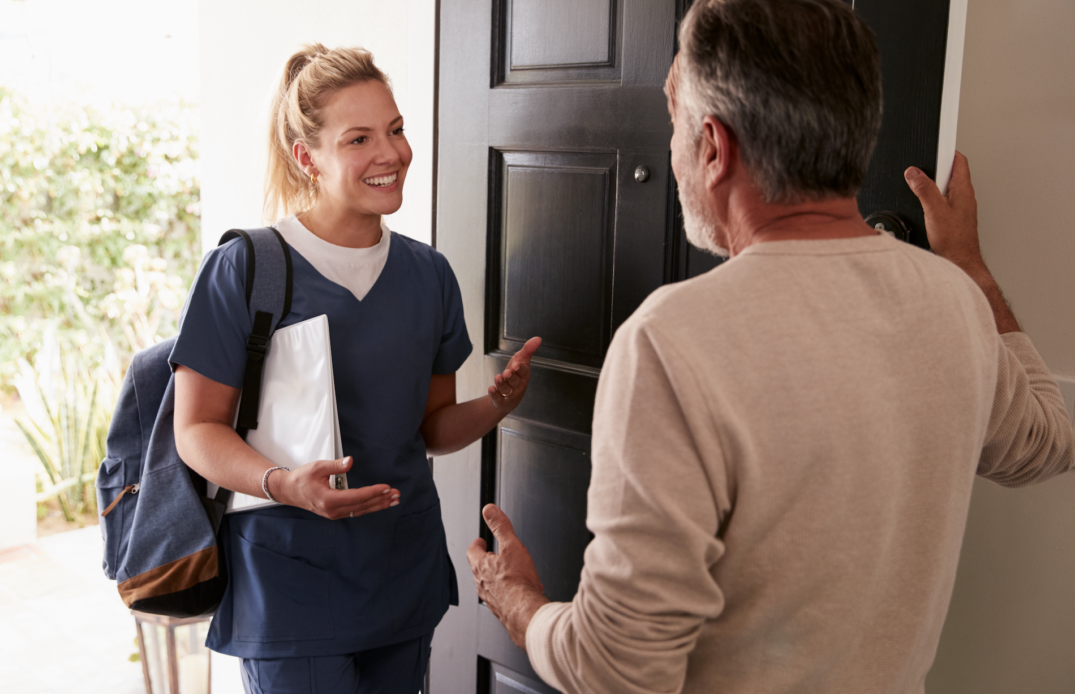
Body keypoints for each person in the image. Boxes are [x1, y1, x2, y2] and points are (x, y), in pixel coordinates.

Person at [466, 1, 1075, 692]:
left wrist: (516, 603)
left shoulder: (673, 340)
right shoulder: (957, 304)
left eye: (674, 125)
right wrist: (969, 268)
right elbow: (1049, 443)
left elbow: (622, 670)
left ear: (714, 147)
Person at [171, 44, 539, 694]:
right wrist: (284, 483)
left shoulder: (429, 275)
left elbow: (432, 429)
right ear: (306, 157)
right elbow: (196, 430)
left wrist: (495, 406)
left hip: (401, 572)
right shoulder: (244, 270)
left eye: (395, 130)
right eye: (359, 138)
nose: (390, 153)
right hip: (290, 581)